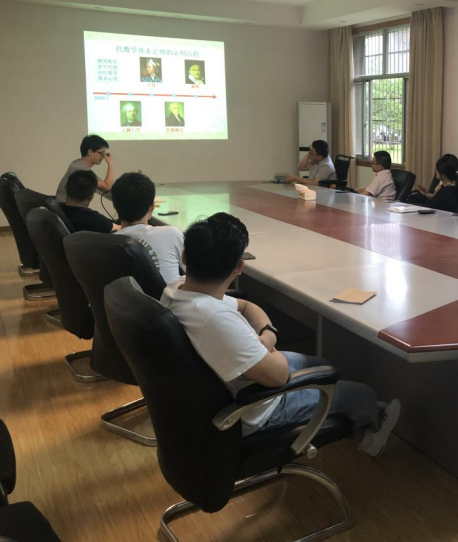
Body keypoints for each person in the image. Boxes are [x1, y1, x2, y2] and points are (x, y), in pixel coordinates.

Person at [160, 212, 401, 454]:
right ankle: (371, 437)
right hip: (258, 409)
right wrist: (268, 348)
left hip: (232, 383)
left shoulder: (178, 289)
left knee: (319, 365)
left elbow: (245, 306)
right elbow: (279, 376)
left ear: (184, 256)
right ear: (240, 267)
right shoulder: (215, 319)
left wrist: (268, 334)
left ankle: (352, 424)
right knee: (363, 395)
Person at [112, 172, 184, 284]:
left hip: (123, 296)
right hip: (167, 295)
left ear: (114, 205)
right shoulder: (172, 234)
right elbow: (197, 274)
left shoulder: (106, 243)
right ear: (152, 207)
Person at [55, 135, 115, 203]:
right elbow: (107, 187)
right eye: (101, 153)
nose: (104, 157)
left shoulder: (77, 163)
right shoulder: (80, 169)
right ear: (90, 152)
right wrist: (110, 163)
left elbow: (105, 190)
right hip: (65, 206)